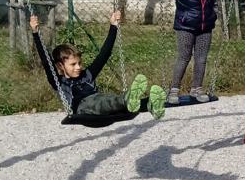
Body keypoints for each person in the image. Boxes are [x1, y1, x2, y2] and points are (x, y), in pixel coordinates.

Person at [30, 12, 167, 121]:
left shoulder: (87, 74)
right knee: (105, 102)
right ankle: (128, 98)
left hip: (100, 102)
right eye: (73, 64)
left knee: (113, 102)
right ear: (60, 65)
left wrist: (113, 26)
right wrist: (36, 33)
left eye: (79, 63)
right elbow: (46, 61)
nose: (78, 67)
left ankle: (151, 103)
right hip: (82, 109)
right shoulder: (59, 82)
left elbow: (104, 54)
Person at [153, 0, 243, 104]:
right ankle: (173, 90)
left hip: (205, 27)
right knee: (184, 57)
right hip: (185, 26)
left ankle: (196, 89)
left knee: (201, 59)